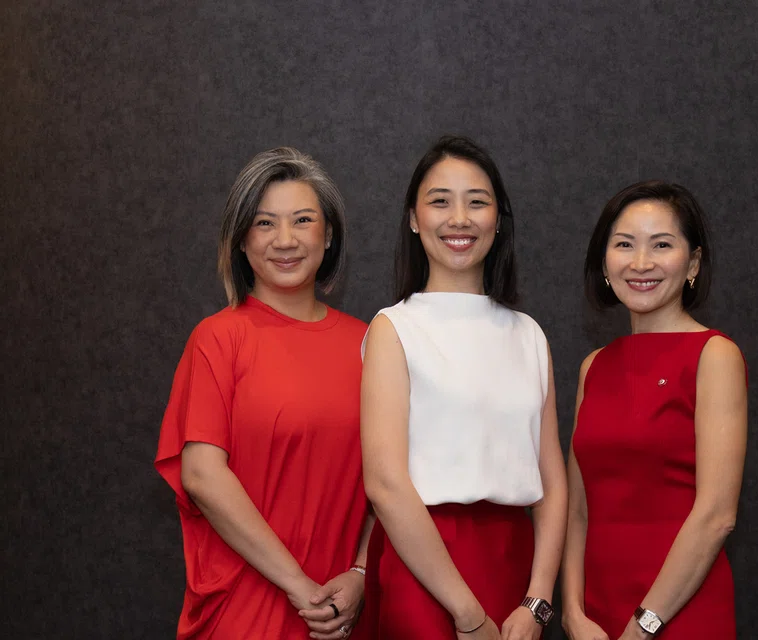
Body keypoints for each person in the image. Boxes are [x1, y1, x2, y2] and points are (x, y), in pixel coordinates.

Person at [155, 147, 374, 640]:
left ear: (329, 233)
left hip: (340, 614)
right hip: (245, 607)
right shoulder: (218, 338)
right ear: (241, 241)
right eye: (264, 223)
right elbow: (202, 475)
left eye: (302, 219)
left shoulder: (371, 343)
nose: (286, 240)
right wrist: (299, 588)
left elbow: (394, 479)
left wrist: (360, 574)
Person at [360, 135, 568, 640]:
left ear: (498, 220)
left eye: (477, 201)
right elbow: (386, 484)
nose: (459, 218)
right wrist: (466, 613)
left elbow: (553, 483)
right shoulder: (394, 329)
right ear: (413, 218)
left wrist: (538, 600)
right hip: (424, 568)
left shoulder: (528, 334)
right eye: (439, 201)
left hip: (515, 568)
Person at [561, 181, 748, 640]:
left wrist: (644, 626)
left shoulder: (714, 355)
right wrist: (571, 612)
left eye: (661, 245)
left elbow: (717, 514)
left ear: (693, 263)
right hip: (596, 617)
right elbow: (578, 509)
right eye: (624, 244)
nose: (640, 263)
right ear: (604, 262)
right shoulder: (594, 367)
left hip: (679, 612)